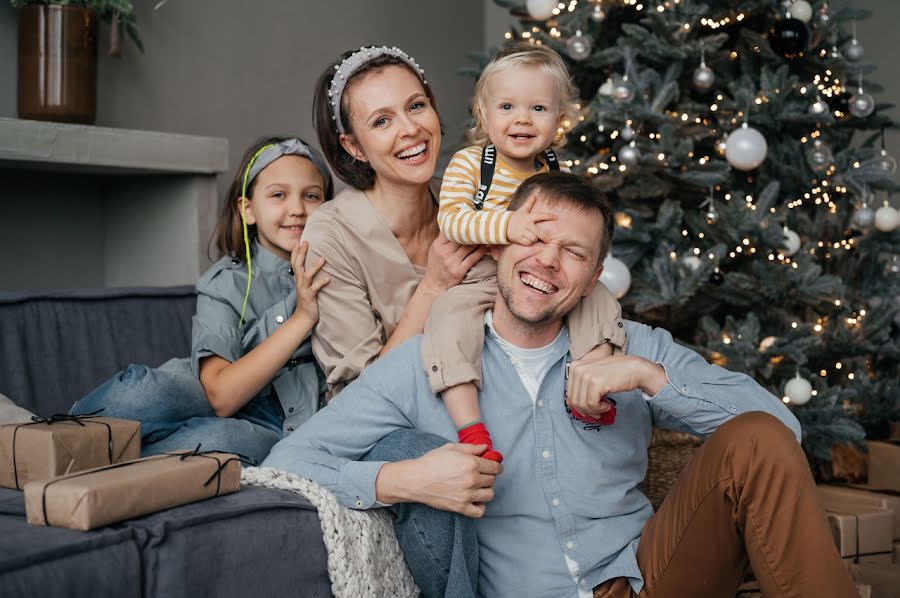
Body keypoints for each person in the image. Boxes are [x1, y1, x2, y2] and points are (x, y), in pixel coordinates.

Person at [264, 172, 858, 598]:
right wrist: (400, 479)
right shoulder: (422, 364)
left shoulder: (633, 343)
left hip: (648, 580)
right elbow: (287, 460)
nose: (547, 260)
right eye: (533, 239)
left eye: (572, 252)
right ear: (501, 244)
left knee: (753, 435)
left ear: (595, 276)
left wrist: (650, 379)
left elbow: (783, 431)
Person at [70, 137, 333, 464]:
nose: (297, 209)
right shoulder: (224, 282)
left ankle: (104, 465)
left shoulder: (339, 274)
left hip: (280, 420)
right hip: (209, 392)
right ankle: (55, 441)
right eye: (278, 195)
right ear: (247, 209)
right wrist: (301, 318)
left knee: (220, 441)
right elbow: (221, 396)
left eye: (311, 196)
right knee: (143, 394)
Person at [423, 43, 625, 462]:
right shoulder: (470, 164)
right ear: (483, 115)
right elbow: (453, 220)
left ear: (559, 119)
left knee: (599, 296)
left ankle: (593, 378)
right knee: (447, 320)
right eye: (507, 106)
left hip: (537, 277)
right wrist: (508, 226)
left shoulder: (552, 172)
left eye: (538, 109)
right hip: (478, 275)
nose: (521, 118)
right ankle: (470, 424)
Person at [302, 45, 485, 399]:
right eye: (381, 121)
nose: (411, 129)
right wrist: (433, 286)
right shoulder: (331, 236)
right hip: (385, 426)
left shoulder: (469, 202)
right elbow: (359, 397)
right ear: (353, 146)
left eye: (416, 106)